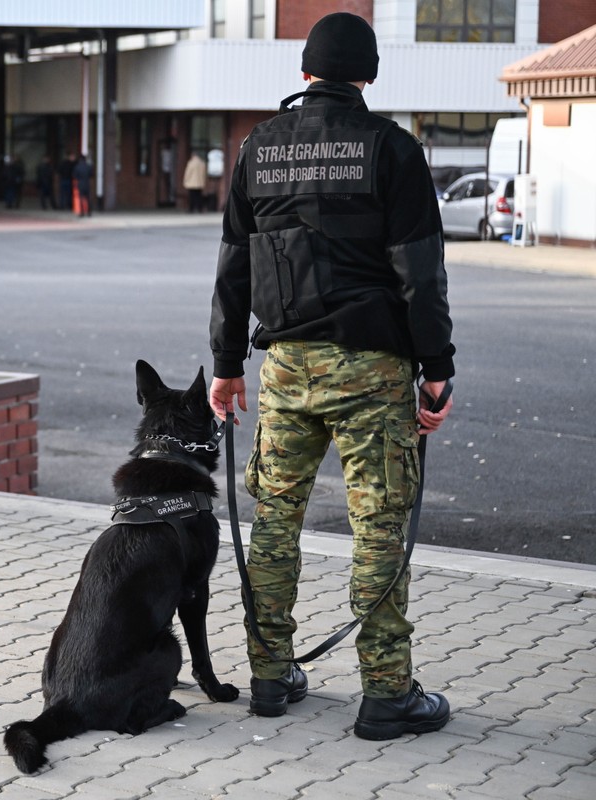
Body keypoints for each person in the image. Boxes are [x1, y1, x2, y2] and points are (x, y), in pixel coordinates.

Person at [207, 12, 456, 741]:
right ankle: (386, 694)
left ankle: (270, 675)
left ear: (305, 73)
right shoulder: (392, 149)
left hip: (285, 367)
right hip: (374, 371)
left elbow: (232, 268)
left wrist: (226, 366)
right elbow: (422, 275)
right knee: (378, 523)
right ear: (368, 76)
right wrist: (436, 372)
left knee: (274, 521)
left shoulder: (258, 147)